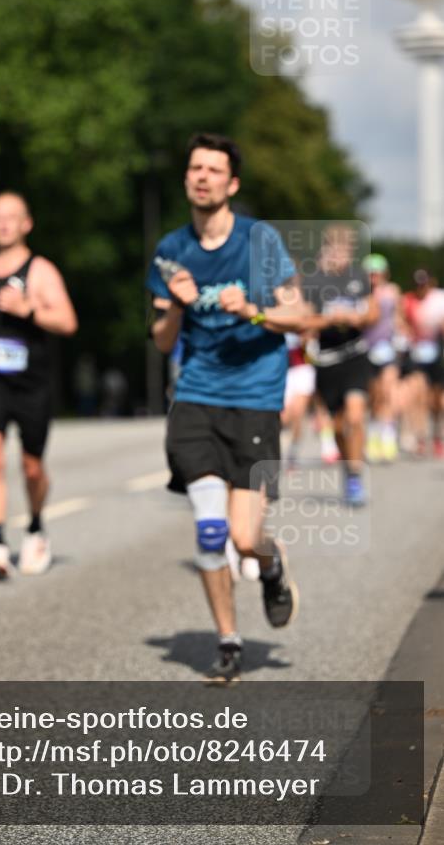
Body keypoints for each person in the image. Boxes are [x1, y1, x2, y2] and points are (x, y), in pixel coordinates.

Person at [148, 132, 307, 684]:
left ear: (231, 183)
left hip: (256, 400)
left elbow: (300, 317)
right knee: (210, 533)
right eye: (195, 168)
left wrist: (254, 311)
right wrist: (175, 306)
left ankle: (271, 563)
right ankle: (229, 641)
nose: (202, 176)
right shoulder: (171, 250)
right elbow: (164, 341)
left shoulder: (258, 241)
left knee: (245, 538)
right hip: (196, 398)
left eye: (214, 170)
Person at [0, 192, 77, 578]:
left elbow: (68, 322)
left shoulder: (40, 270)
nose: (3, 224)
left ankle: (37, 527)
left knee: (31, 467)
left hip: (33, 383)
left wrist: (29, 309)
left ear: (27, 224)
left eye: (11, 218)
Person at [300, 225, 379, 506]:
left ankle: (356, 475)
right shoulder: (313, 282)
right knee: (335, 426)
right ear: (326, 250)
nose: (339, 255)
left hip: (355, 356)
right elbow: (305, 322)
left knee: (355, 417)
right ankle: (348, 467)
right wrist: (330, 319)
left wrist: (357, 318)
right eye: (335, 249)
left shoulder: (358, 277)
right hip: (327, 360)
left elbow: (374, 312)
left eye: (345, 250)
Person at [361, 254, 401, 463]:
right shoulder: (361, 293)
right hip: (367, 349)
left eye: (376, 274)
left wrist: (402, 336)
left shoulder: (392, 291)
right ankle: (374, 433)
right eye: (370, 274)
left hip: (387, 349)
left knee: (388, 392)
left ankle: (388, 435)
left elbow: (399, 316)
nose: (373, 277)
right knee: (374, 395)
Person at [400, 270, 444, 458]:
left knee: (437, 401)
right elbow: (402, 323)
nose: (421, 288)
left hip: (437, 355)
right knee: (419, 398)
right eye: (418, 284)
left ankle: (437, 436)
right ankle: (420, 438)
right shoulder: (408, 301)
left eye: (424, 284)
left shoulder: (439, 300)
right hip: (417, 356)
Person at [281, 332, 316, 470]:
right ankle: (283, 446)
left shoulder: (300, 312)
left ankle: (292, 453)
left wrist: (306, 340)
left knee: (298, 413)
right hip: (283, 370)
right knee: (284, 417)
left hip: (302, 368)